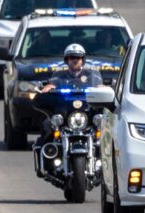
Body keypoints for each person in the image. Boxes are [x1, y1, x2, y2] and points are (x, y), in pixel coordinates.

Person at [33, 44, 103, 174]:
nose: (75, 60)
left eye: (78, 57)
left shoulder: (91, 75)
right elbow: (51, 85)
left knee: (105, 127)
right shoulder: (60, 76)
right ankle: (48, 156)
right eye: (71, 57)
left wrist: (105, 90)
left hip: (85, 114)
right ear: (67, 60)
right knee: (48, 125)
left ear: (83, 59)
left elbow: (100, 86)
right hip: (66, 115)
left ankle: (105, 158)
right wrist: (45, 91)